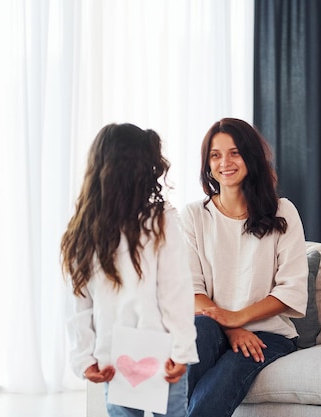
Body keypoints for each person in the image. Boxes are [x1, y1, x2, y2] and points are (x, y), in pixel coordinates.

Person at [61, 123, 198, 417]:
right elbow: (175, 291)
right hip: (163, 350)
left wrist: (83, 357)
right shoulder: (161, 221)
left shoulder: (84, 228)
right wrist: (182, 349)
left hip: (114, 353)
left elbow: (78, 305)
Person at [180, 118, 308, 417]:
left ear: (250, 156)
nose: (225, 162)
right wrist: (232, 327)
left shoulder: (283, 211)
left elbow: (290, 290)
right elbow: (191, 290)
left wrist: (238, 319)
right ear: (207, 163)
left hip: (270, 335)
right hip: (213, 328)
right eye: (215, 155)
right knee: (197, 333)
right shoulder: (194, 216)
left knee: (216, 388)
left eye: (234, 152)